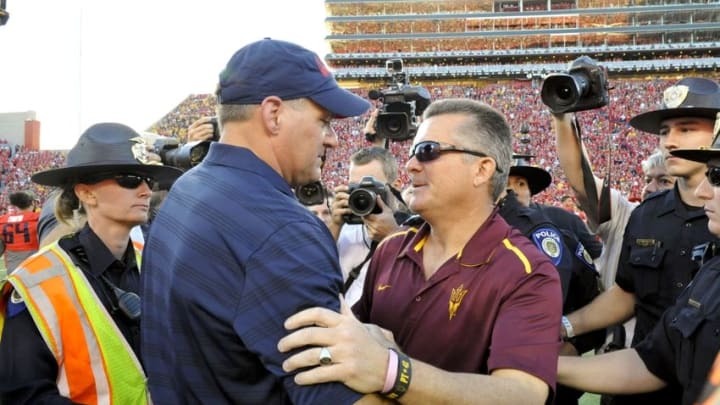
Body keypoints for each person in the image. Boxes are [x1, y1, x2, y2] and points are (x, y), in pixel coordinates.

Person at [140, 38, 382, 404]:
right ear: (273, 114)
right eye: (324, 121)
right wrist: (393, 365)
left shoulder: (188, 187)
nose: (332, 139)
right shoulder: (285, 230)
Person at [278, 98, 563, 404]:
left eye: (429, 152)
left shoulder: (526, 272)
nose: (411, 164)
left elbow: (522, 395)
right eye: (414, 152)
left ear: (482, 170)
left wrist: (392, 371)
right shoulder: (391, 249)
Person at [558, 77, 720, 404]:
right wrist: (564, 328)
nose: (671, 141)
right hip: (642, 381)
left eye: (686, 129)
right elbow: (632, 303)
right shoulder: (645, 216)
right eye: (665, 132)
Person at [0, 123, 182, 404]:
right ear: (86, 193)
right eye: (131, 179)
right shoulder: (35, 282)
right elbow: (23, 396)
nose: (146, 190)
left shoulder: (157, 262)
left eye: (149, 180)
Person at [328, 146, 407, 306]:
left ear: (396, 185)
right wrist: (335, 224)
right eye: (355, 188)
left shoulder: (414, 230)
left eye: (370, 187)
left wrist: (392, 236)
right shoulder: (344, 228)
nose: (362, 196)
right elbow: (313, 270)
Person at [0, 190, 40, 271]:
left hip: (13, 270)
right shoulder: (39, 218)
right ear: (33, 203)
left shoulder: (2, 220)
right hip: (34, 269)